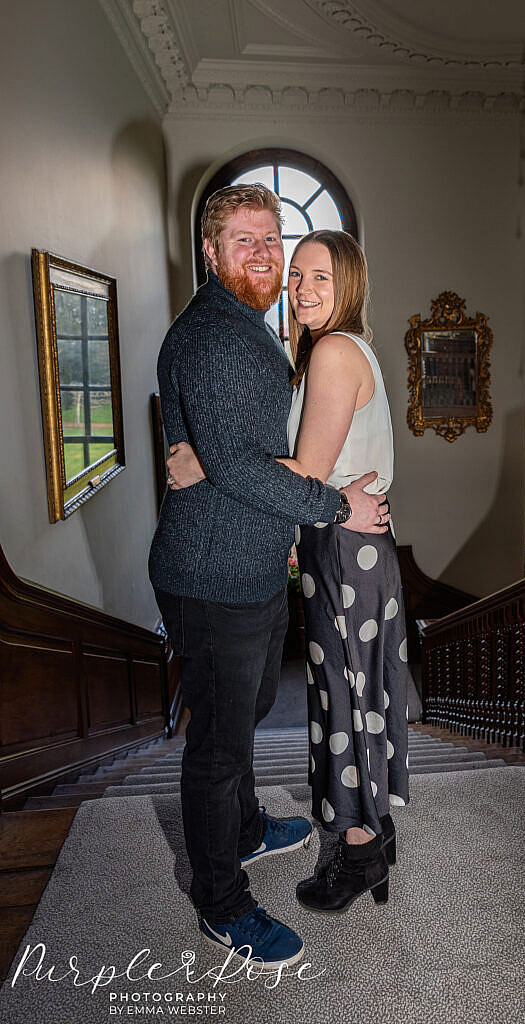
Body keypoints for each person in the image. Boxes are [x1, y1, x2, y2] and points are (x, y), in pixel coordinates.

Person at [148, 185, 389, 970]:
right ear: (211, 254)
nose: (263, 254)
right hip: (213, 572)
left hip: (251, 564)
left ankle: (249, 828)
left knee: (250, 703)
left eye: (270, 238)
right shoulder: (219, 337)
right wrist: (330, 504)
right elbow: (247, 466)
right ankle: (222, 903)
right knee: (217, 746)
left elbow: (231, 454)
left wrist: (207, 466)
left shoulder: (254, 331)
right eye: (243, 240)